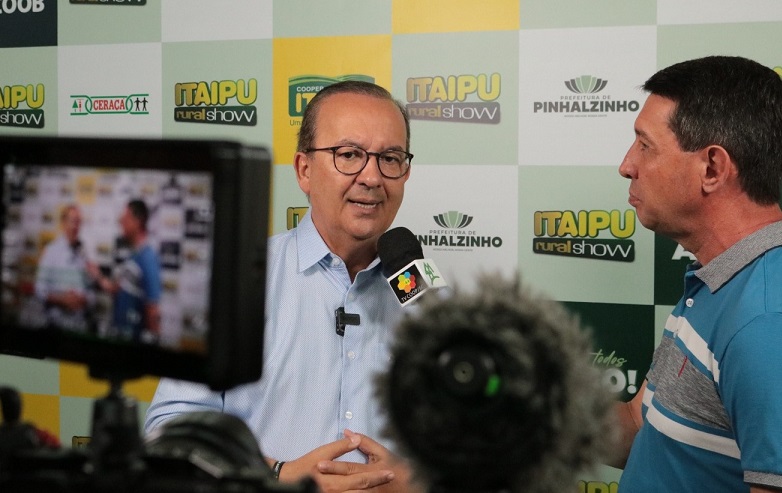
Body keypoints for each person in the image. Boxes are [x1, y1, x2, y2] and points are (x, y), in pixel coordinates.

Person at [145, 81, 420, 493]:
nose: (372, 176)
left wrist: (419, 479)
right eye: (349, 155)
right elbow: (167, 433)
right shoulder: (236, 281)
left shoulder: (428, 298)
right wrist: (272, 476)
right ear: (304, 170)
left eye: (390, 158)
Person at [613, 56, 782, 492]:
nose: (627, 165)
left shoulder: (765, 322)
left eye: (644, 145)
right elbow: (637, 426)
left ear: (712, 168)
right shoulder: (715, 280)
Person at [93, 199, 162, 342]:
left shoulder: (148, 258)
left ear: (138, 221)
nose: (121, 222)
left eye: (125, 218)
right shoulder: (132, 255)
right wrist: (97, 275)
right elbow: (116, 288)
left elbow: (152, 309)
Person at [34, 204, 95, 332]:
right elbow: (40, 289)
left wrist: (83, 299)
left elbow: (91, 293)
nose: (75, 226)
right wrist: (62, 299)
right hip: (55, 328)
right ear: (63, 222)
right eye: (72, 221)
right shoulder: (51, 251)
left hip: (79, 327)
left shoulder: (84, 254)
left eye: (78, 221)